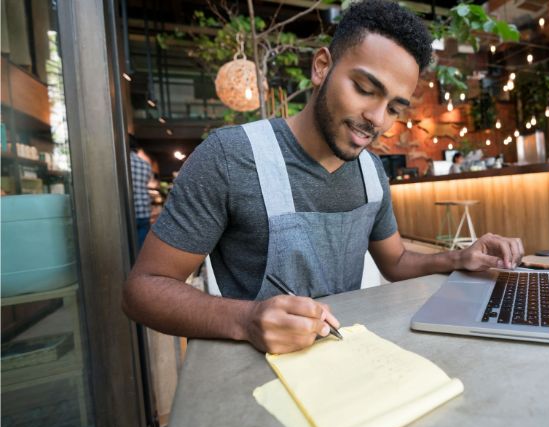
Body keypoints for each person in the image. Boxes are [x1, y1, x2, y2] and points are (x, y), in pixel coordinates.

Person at [123, 0, 524, 355]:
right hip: (254, 380)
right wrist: (246, 319)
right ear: (321, 67)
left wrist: (459, 258)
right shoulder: (231, 157)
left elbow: (396, 262)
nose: (377, 119)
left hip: (344, 360)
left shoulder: (371, 173)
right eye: (364, 88)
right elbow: (143, 290)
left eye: (394, 108)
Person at [129, 137, 152, 250]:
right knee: (142, 247)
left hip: (129, 211)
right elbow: (146, 182)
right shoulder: (145, 164)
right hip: (143, 210)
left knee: (128, 247)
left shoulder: (121, 163)